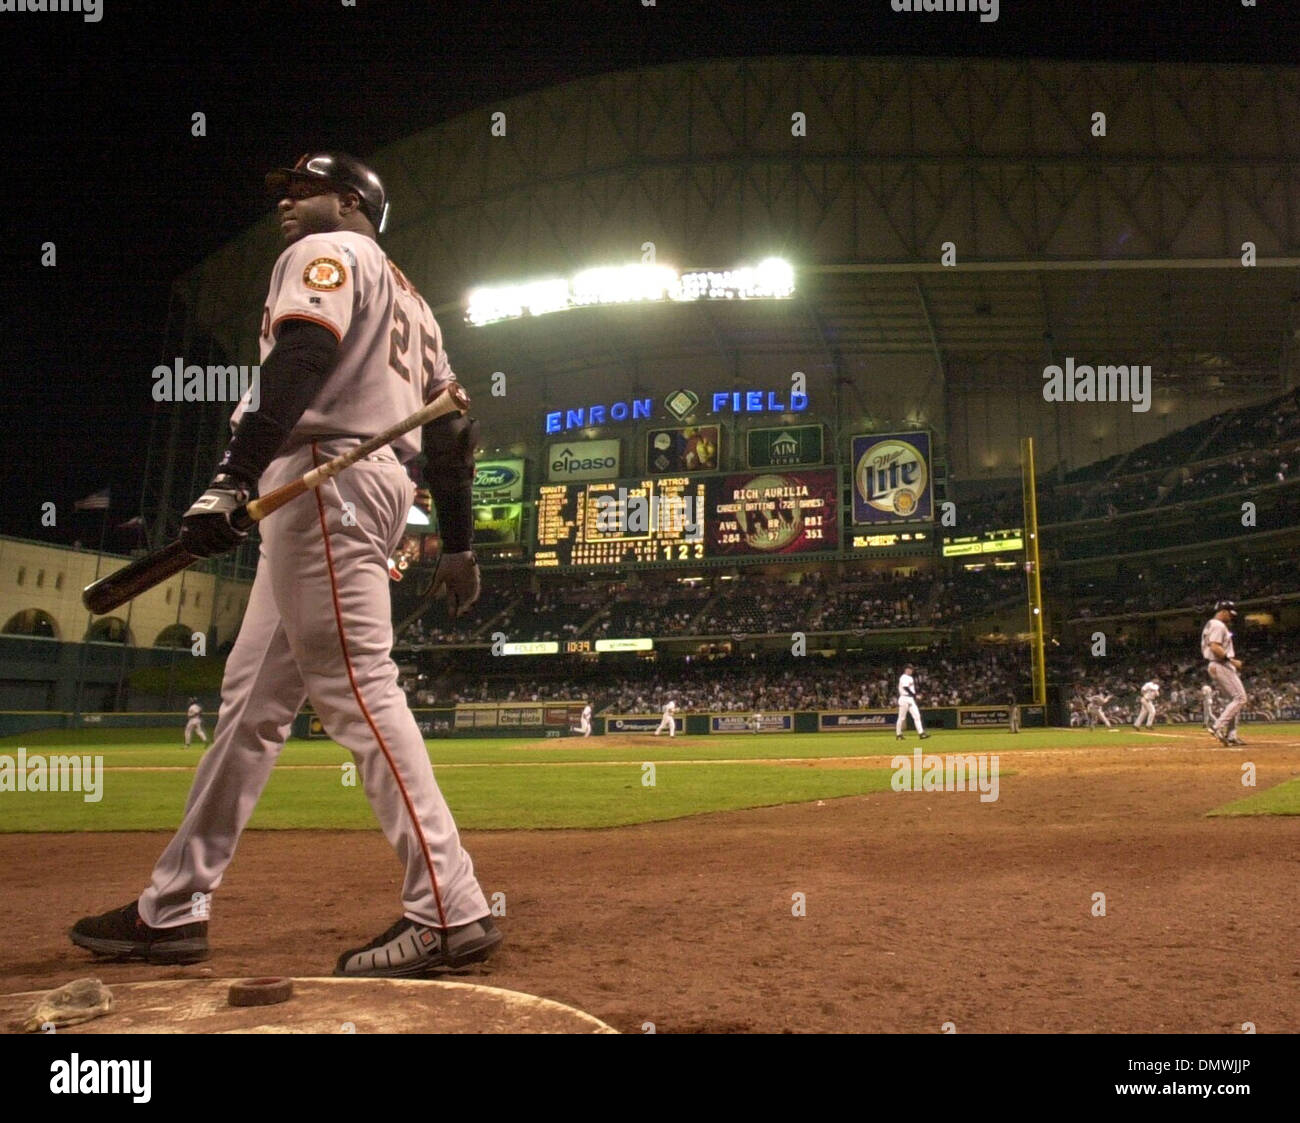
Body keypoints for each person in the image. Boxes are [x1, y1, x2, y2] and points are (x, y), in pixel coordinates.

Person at [70, 152, 500, 977]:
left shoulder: (323, 252)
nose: (286, 206)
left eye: (300, 191)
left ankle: (450, 906)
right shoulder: (418, 306)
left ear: (350, 201)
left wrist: (232, 475)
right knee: (249, 707)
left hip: (322, 480)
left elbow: (300, 354)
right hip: (356, 484)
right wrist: (459, 540)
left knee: (358, 689)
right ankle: (172, 906)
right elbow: (450, 435)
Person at [1203, 600, 1246, 747]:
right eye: (1230, 613)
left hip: (1216, 664)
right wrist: (1232, 661)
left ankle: (1232, 735)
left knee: (1235, 700)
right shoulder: (1218, 625)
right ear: (1223, 611)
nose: (1231, 617)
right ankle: (1217, 727)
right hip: (1221, 664)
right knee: (1240, 698)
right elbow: (1215, 647)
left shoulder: (1211, 624)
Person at [895, 663, 929, 740]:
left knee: (917, 716)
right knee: (901, 718)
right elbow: (905, 687)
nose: (912, 670)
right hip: (904, 698)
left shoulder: (910, 678)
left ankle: (921, 733)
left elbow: (910, 689)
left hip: (910, 699)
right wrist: (915, 695)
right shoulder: (903, 677)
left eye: (912, 669)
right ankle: (898, 734)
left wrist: (914, 695)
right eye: (911, 669)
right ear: (906, 669)